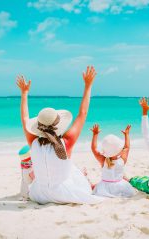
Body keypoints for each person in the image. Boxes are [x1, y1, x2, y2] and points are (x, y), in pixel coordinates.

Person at [16, 66, 103, 204]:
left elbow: (25, 119)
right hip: (63, 194)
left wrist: (24, 93)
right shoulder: (66, 143)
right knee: (75, 171)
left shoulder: (33, 142)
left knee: (70, 169)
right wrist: (88, 86)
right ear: (58, 125)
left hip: (39, 194)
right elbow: (82, 114)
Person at [90, 124, 136, 198]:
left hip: (105, 188)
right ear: (120, 150)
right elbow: (127, 147)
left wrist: (95, 134)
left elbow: (94, 149)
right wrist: (126, 135)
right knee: (125, 179)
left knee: (94, 187)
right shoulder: (122, 160)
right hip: (120, 187)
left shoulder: (103, 160)